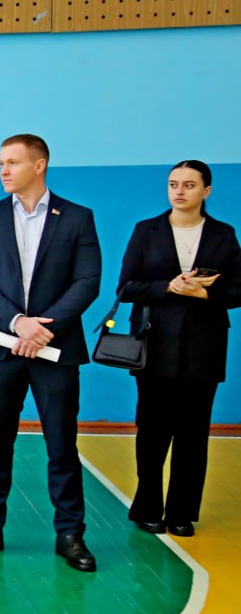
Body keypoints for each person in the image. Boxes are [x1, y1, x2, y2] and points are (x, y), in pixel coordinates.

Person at [0, 134, 102, 572]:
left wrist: (44, 329)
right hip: (0, 347)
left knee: (62, 445)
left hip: (56, 351)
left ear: (39, 165)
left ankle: (70, 533)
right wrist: (18, 323)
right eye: (1, 162)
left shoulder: (77, 218)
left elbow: (87, 282)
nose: (3, 170)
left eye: (13, 162)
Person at [118, 160, 241, 537]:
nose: (179, 191)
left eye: (189, 184)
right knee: (152, 430)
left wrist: (205, 293)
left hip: (204, 346)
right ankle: (148, 507)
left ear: (207, 191)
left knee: (193, 432)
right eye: (174, 184)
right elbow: (126, 288)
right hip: (153, 343)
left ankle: (182, 512)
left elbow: (238, 290)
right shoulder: (146, 230)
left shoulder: (223, 234)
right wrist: (168, 287)